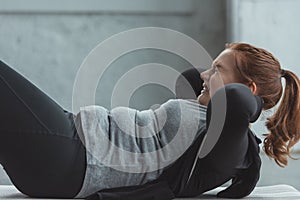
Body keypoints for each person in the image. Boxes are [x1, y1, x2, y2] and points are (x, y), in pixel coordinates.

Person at [0, 42, 299, 200]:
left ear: (248, 89)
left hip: (72, 158)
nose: (205, 76)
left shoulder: (226, 142)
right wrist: (216, 81)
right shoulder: (210, 118)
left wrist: (244, 97)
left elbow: (237, 101)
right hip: (68, 143)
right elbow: (203, 83)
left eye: (217, 69)